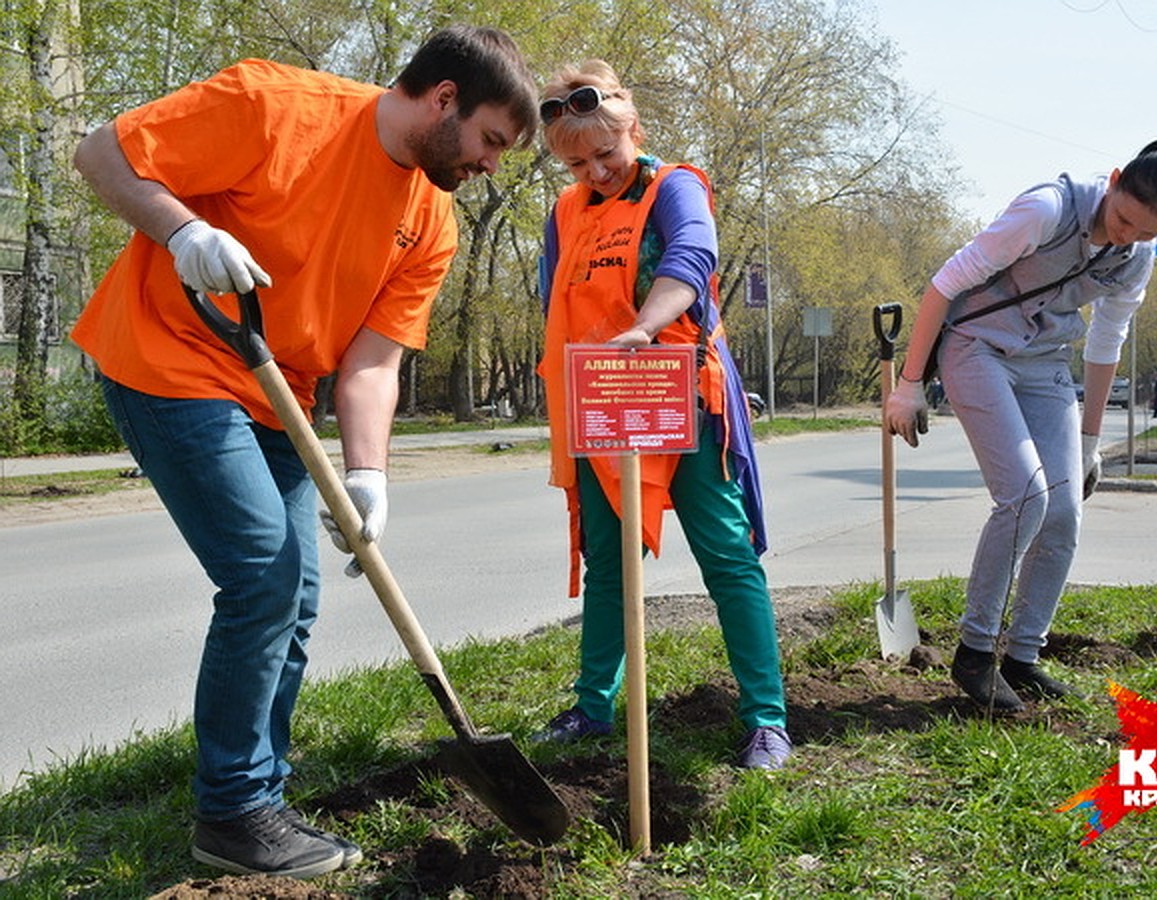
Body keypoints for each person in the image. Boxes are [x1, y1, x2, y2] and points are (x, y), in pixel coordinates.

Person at [70, 25, 538, 877]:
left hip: (277, 391)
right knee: (263, 573)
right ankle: (235, 810)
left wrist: (367, 474)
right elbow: (100, 153)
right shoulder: (274, 106)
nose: (490, 166)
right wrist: (181, 233)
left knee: (299, 593)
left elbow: (373, 358)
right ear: (443, 100)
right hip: (168, 358)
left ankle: (259, 793)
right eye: (490, 141)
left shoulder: (430, 219)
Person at [533, 60, 791, 770]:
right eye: (578, 162)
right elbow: (557, 299)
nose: (596, 172)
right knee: (609, 565)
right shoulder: (563, 210)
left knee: (727, 557)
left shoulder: (676, 186)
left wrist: (645, 327)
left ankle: (767, 721)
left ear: (633, 128)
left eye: (606, 154)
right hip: (601, 401)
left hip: (683, 395)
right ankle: (592, 707)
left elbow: (692, 255)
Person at [885, 140, 1157, 712]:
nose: (1126, 236)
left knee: (1065, 508)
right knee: (1026, 495)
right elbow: (944, 285)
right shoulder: (1046, 211)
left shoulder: (1135, 256)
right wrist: (907, 385)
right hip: (977, 346)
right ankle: (975, 654)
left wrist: (1090, 445)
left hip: (1045, 359)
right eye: (1124, 218)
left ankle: (1023, 657)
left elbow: (1107, 339)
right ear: (1116, 178)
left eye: (1145, 233)